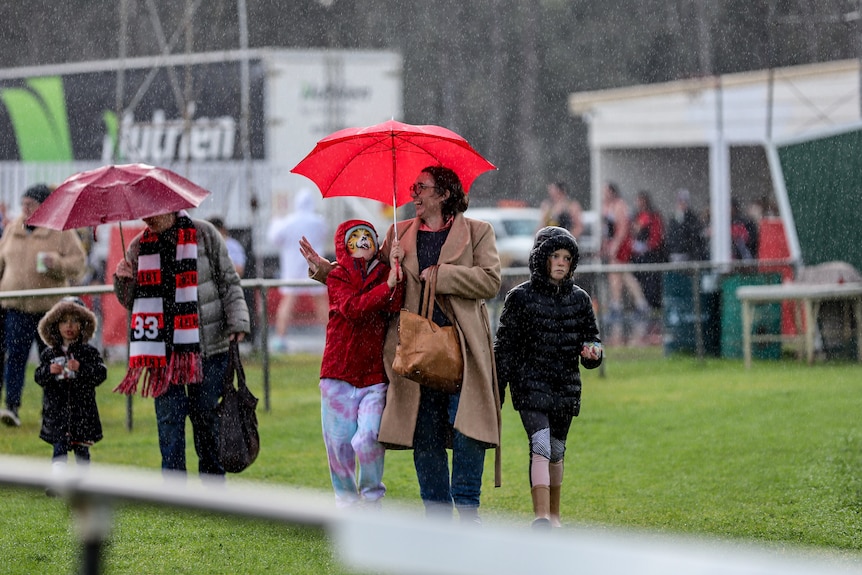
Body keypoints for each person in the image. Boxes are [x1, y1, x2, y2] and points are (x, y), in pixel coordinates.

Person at [301, 165, 502, 524]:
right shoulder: (398, 233)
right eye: (413, 187)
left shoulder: (478, 232)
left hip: (464, 350)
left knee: (467, 428)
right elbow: (368, 278)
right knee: (424, 435)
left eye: (421, 188)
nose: (414, 194)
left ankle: (468, 509)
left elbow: (490, 281)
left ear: (443, 193)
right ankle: (437, 516)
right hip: (413, 353)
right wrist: (325, 271)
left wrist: (443, 276)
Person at [113, 209, 250, 479]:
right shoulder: (138, 246)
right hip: (160, 352)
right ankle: (174, 489)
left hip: (208, 347)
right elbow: (130, 301)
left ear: (171, 207)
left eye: (153, 212)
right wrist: (123, 280)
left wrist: (238, 322)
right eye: (143, 213)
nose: (147, 218)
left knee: (207, 416)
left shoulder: (205, 234)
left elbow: (229, 281)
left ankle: (212, 481)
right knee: (169, 421)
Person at [494, 226, 602, 528]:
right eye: (555, 256)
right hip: (529, 384)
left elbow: (591, 339)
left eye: (567, 258)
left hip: (565, 386)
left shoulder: (580, 299)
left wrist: (593, 353)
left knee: (557, 450)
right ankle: (540, 516)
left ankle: (554, 516)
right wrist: (498, 388)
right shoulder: (520, 298)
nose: (560, 263)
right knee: (540, 444)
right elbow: (504, 347)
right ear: (541, 258)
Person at [319, 219, 404, 508]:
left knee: (368, 439)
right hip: (338, 374)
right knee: (339, 447)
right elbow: (353, 308)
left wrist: (395, 273)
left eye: (368, 236)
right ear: (344, 243)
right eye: (356, 237)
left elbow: (393, 306)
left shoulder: (385, 273)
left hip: (373, 378)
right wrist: (387, 287)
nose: (363, 242)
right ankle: (346, 504)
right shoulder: (337, 277)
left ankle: (371, 499)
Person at [0, 184, 87, 427]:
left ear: (44, 206)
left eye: (31, 204)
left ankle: (53, 410)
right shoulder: (12, 229)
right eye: (23, 204)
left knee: (53, 362)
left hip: (49, 312)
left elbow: (79, 263)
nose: (25, 209)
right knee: (15, 359)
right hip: (16, 309)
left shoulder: (60, 230)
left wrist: (56, 262)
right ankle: (12, 407)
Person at [34, 297, 107, 479]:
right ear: (55, 325)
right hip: (57, 412)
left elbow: (100, 374)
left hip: (82, 412)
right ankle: (58, 480)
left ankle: (83, 482)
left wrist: (81, 369)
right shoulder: (49, 353)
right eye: (64, 321)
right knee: (59, 447)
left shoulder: (89, 353)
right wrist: (49, 372)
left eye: (75, 321)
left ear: (83, 325)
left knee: (82, 449)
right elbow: (38, 377)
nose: (69, 326)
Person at [267, 189, 329, 352]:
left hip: (293, 268)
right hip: (314, 267)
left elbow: (274, 238)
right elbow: (324, 235)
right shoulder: (318, 222)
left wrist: (277, 218)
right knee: (321, 303)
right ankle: (331, 336)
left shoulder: (289, 222)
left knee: (288, 302)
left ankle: (281, 338)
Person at [600, 181, 649, 344]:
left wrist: (615, 245)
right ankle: (623, 304)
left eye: (606, 191)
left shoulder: (620, 206)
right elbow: (606, 228)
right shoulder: (607, 206)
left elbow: (622, 228)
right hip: (612, 243)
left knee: (621, 274)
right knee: (619, 276)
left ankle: (623, 304)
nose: (604, 194)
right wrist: (605, 245)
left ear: (613, 192)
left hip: (621, 245)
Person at [630, 190, 666, 310]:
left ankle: (654, 306)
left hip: (651, 256)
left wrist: (647, 246)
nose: (639, 203)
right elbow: (632, 234)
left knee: (652, 282)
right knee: (640, 281)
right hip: (638, 257)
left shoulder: (653, 216)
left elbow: (657, 237)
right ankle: (642, 305)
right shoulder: (636, 216)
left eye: (641, 201)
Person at [665, 189, 707, 262]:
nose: (682, 204)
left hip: (688, 254)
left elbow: (693, 234)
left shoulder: (692, 218)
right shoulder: (673, 218)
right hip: (675, 252)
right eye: (680, 201)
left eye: (684, 201)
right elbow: (671, 235)